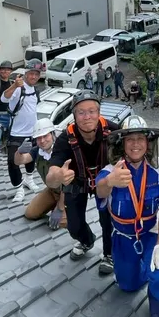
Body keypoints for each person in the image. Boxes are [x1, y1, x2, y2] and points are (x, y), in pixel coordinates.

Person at [96, 116, 159, 317]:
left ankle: (155, 295)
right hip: (123, 239)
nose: (135, 144)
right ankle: (138, 269)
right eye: (130, 139)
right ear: (122, 143)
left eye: (140, 139)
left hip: (150, 234)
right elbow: (100, 191)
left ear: (148, 142)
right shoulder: (111, 170)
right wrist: (110, 181)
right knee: (127, 286)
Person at [46, 90, 119, 274]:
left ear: (99, 112)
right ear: (74, 115)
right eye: (81, 112)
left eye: (92, 111)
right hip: (78, 181)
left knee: (109, 219)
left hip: (105, 181)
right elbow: (51, 173)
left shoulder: (113, 131)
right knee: (74, 225)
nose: (87, 117)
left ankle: (109, 253)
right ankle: (86, 239)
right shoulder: (66, 138)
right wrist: (59, 176)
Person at [2, 60, 43, 203]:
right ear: (26, 73)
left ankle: (29, 179)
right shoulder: (19, 87)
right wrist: (14, 85)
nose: (33, 77)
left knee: (31, 158)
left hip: (32, 132)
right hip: (16, 133)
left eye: (36, 74)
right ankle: (19, 188)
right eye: (31, 74)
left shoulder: (35, 90)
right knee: (13, 161)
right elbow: (4, 97)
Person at [16, 119, 67, 229]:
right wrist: (19, 152)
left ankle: (66, 209)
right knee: (30, 214)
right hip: (52, 191)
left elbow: (69, 184)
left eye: (45, 136)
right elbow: (19, 161)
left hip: (69, 194)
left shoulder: (63, 151)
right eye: (39, 138)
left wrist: (60, 207)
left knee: (60, 223)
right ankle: (53, 204)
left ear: (53, 134)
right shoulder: (37, 151)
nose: (42, 140)